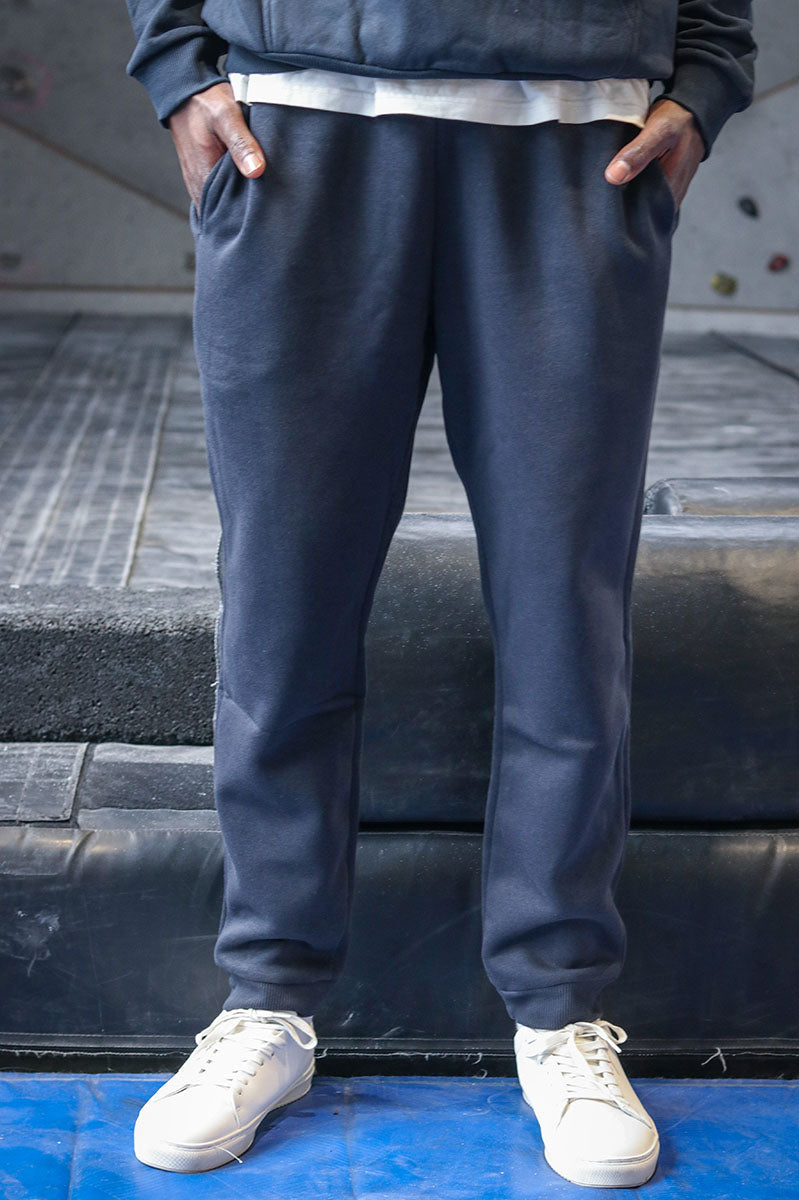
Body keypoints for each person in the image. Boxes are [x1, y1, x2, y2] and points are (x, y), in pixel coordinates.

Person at [122, 0, 756, 1185]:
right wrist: (175, 62)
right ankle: (266, 1000)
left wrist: (705, 77)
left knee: (563, 608)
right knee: (283, 601)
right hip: (296, 130)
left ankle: (558, 1011)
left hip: (571, 141)